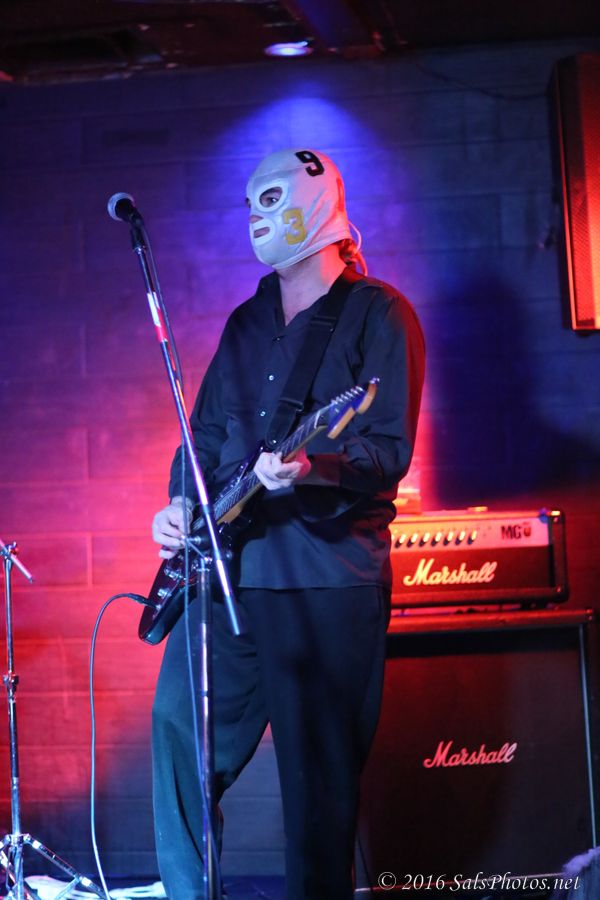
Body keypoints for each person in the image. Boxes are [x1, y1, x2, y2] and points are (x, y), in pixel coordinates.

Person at [151, 148, 425, 899]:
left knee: (318, 789)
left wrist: (313, 468)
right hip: (231, 572)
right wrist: (181, 501)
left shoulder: (379, 314)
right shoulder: (246, 322)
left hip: (324, 578)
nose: (256, 218)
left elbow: (388, 449)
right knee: (180, 734)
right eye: (250, 204)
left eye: (271, 201)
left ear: (318, 205)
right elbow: (205, 436)